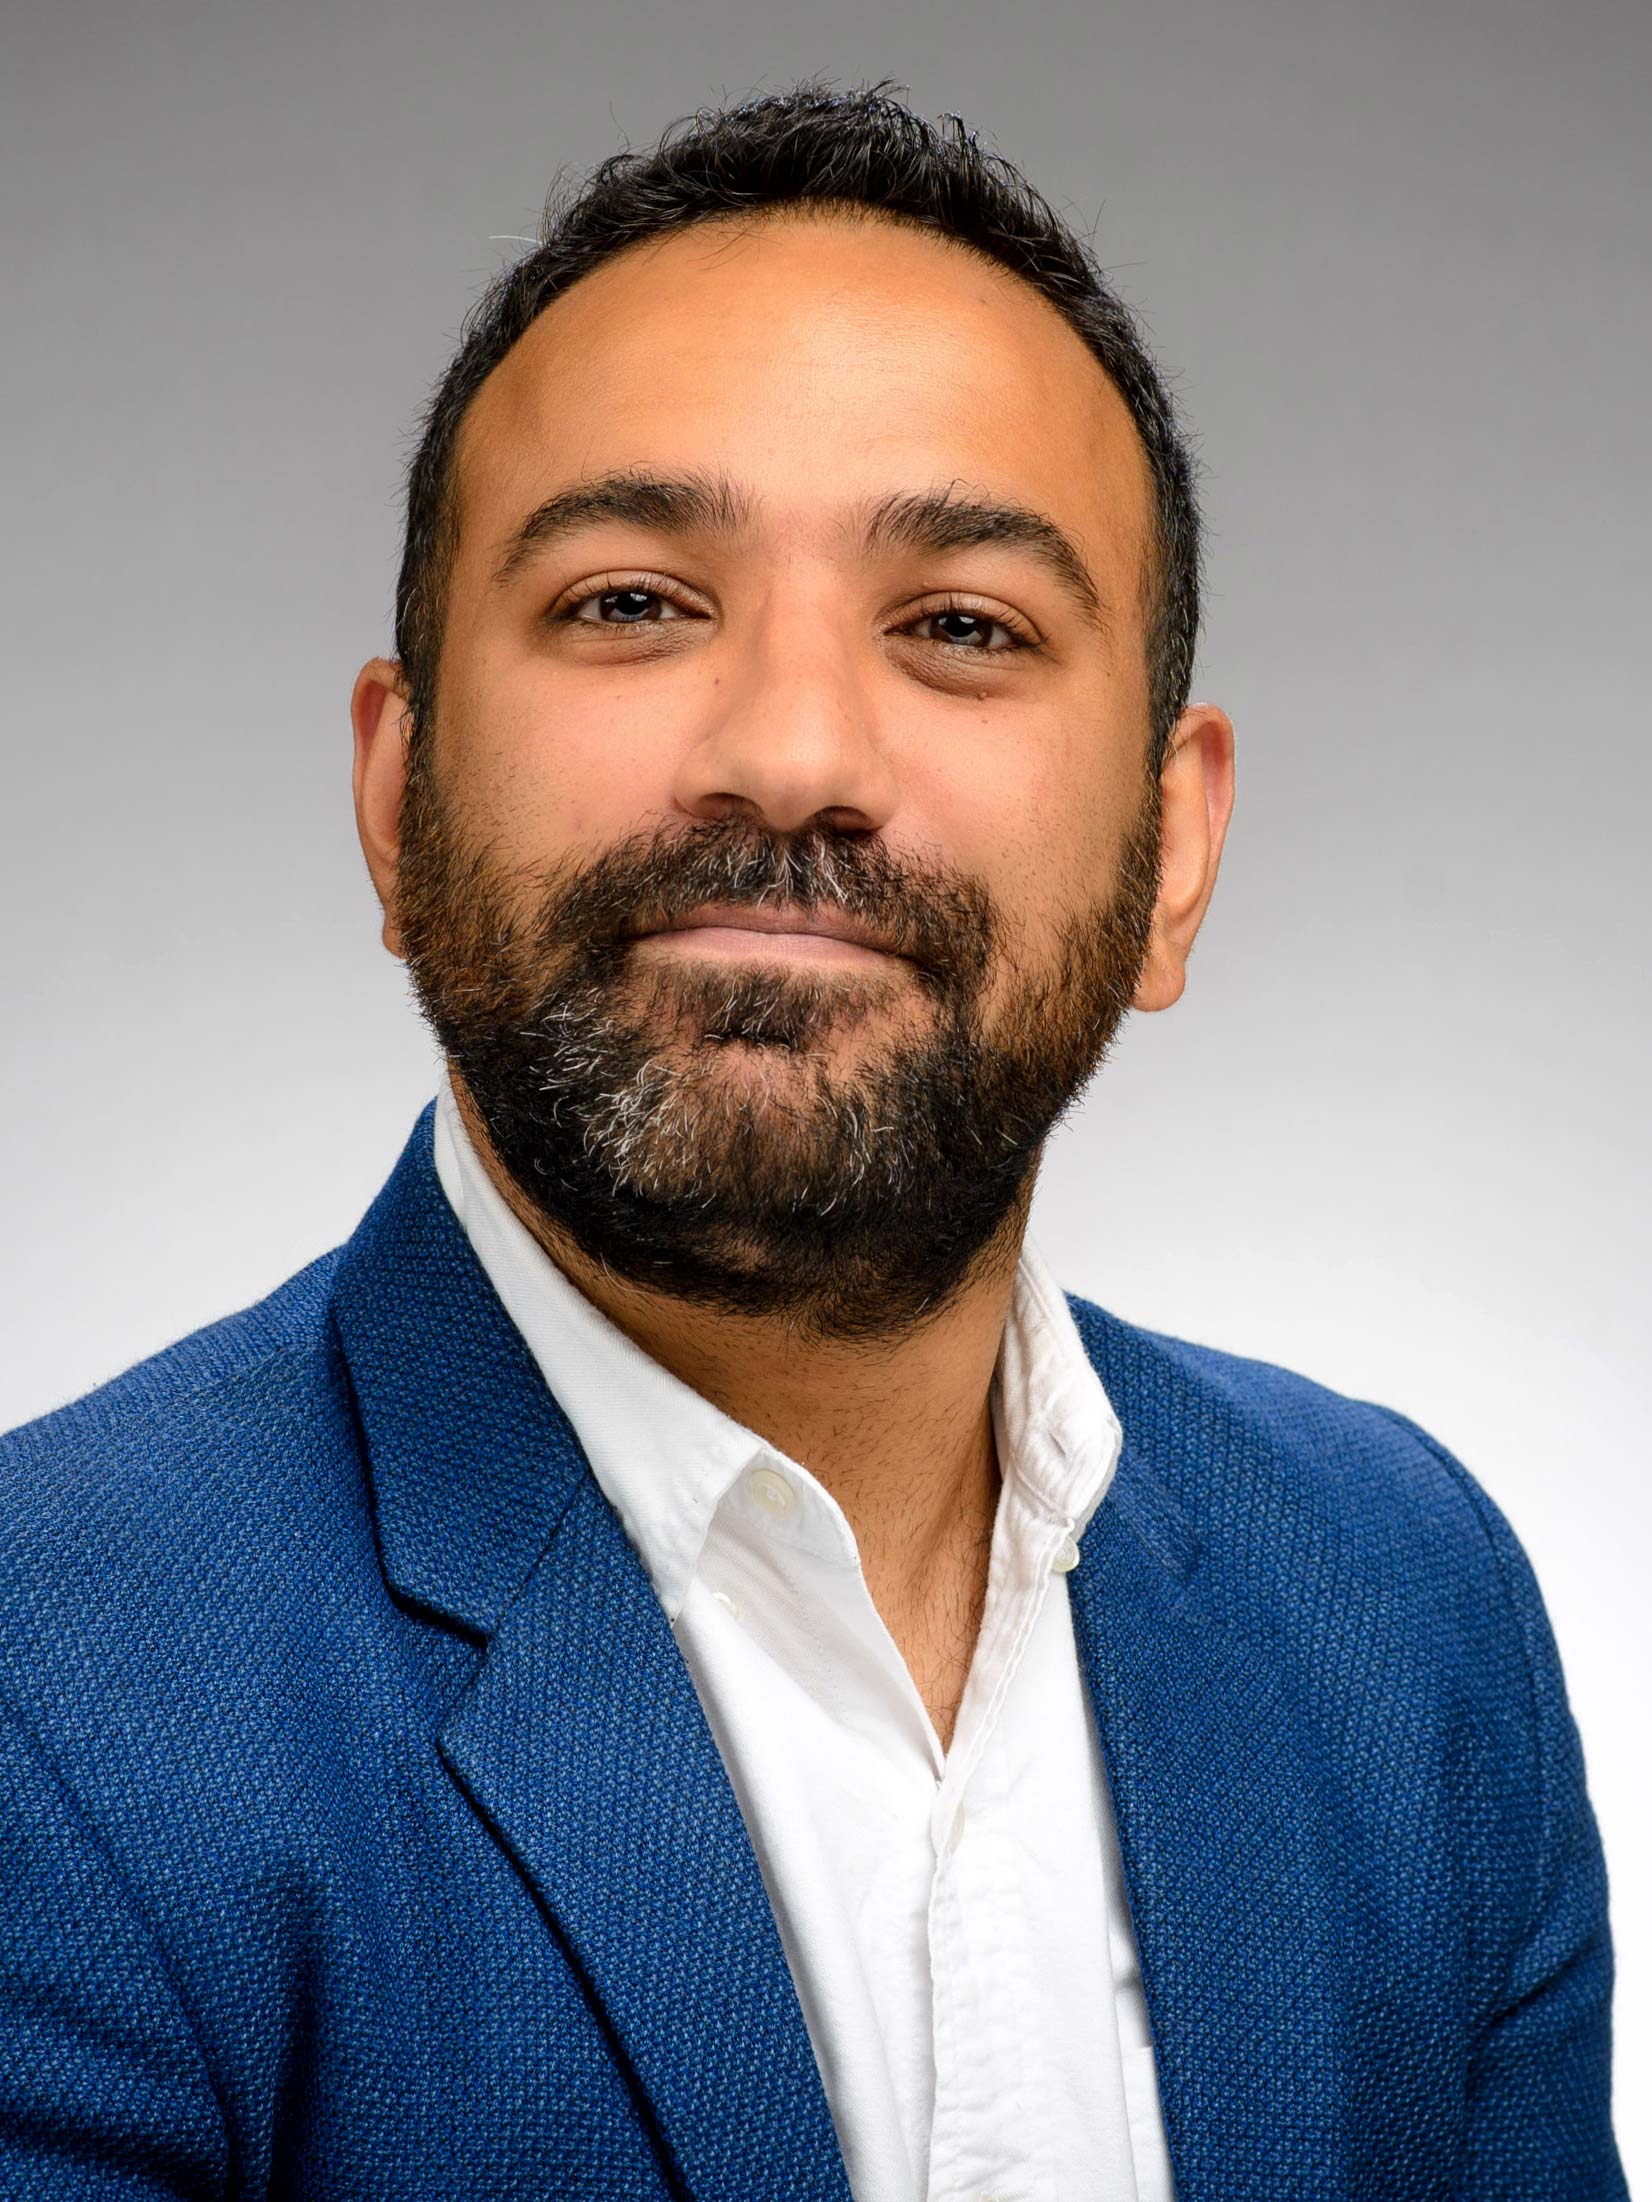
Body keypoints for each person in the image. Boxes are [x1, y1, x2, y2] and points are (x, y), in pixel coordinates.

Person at [0, 79, 1626, 2202]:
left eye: (961, 626)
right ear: (398, 797)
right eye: (629, 602)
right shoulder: (47, 1694)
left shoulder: (1412, 1608)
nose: (787, 752)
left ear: (1172, 854)